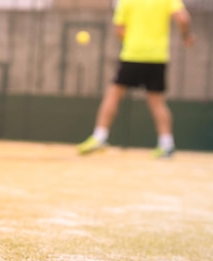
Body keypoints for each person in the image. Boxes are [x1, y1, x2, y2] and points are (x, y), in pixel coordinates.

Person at [77, 0, 195, 158]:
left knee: (114, 94)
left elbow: (119, 30)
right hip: (157, 57)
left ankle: (100, 137)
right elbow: (183, 18)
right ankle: (167, 144)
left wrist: (133, 41)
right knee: (157, 101)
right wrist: (185, 36)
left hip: (133, 55)